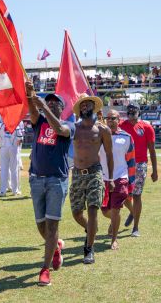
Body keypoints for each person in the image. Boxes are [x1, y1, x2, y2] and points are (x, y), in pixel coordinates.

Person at [26, 81, 75, 286]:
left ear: (62, 108)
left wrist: (43, 107)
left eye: (56, 103)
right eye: (49, 102)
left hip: (57, 180)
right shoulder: (39, 122)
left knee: (52, 224)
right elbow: (33, 113)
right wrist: (30, 96)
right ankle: (55, 248)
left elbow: (58, 127)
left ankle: (45, 270)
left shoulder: (69, 126)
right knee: (41, 225)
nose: (52, 104)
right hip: (36, 178)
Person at [71, 94, 113, 264]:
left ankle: (89, 249)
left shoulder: (103, 130)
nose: (85, 108)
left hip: (95, 172)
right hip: (76, 174)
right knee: (76, 213)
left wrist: (110, 178)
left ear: (94, 107)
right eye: (82, 106)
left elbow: (109, 155)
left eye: (87, 105)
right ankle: (91, 229)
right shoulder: (73, 128)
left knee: (93, 209)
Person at [119, 102, 158, 237]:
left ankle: (135, 227)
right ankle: (132, 211)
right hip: (123, 164)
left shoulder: (147, 127)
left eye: (134, 112)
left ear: (138, 112)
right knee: (122, 194)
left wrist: (155, 170)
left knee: (136, 195)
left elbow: (152, 150)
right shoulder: (121, 126)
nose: (131, 115)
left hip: (140, 165)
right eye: (129, 112)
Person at [99, 109, 136, 250]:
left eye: (113, 118)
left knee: (115, 209)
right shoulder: (100, 136)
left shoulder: (126, 137)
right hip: (104, 178)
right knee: (104, 211)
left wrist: (131, 180)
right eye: (108, 118)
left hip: (121, 177)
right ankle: (115, 221)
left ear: (119, 120)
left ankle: (114, 239)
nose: (110, 121)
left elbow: (131, 160)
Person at [0, 122, 24, 197]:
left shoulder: (0, 124)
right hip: (13, 148)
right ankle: (15, 191)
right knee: (14, 170)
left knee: (4, 170)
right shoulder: (16, 125)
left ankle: (2, 191)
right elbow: (20, 138)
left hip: (4, 148)